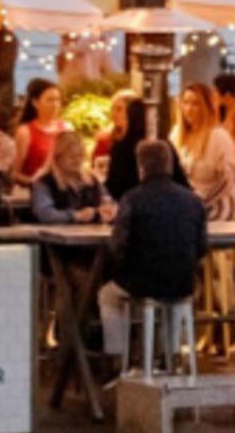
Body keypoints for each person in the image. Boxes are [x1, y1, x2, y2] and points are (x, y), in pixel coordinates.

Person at [98, 141, 209, 360]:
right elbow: (202, 246)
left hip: (141, 281)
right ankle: (173, 355)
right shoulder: (193, 201)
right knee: (175, 296)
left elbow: (117, 245)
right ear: (170, 164)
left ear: (141, 167)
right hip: (181, 282)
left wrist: (117, 268)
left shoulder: (132, 199)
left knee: (108, 296)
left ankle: (118, 360)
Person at [172, 83, 235, 222]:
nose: (189, 109)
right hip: (191, 203)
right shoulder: (176, 135)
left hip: (220, 203)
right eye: (185, 103)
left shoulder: (218, 136)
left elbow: (227, 179)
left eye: (195, 104)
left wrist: (201, 202)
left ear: (205, 107)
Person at [105, 99, 189, 201]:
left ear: (130, 119)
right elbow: (181, 181)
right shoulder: (164, 145)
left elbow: (114, 188)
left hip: (132, 210)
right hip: (167, 207)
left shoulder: (122, 149)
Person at [31, 132, 115, 225]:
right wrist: (75, 216)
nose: (77, 160)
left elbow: (108, 200)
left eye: (80, 156)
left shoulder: (92, 181)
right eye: (72, 157)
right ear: (58, 157)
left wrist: (109, 210)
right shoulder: (44, 183)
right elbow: (45, 214)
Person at [14, 78, 71, 187]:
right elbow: (15, 173)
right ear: (35, 103)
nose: (55, 105)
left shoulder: (67, 128)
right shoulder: (25, 132)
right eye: (50, 100)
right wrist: (33, 181)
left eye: (57, 100)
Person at [92, 89, 137, 176]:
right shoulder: (105, 141)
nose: (113, 114)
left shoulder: (141, 141)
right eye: (113, 109)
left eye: (119, 109)